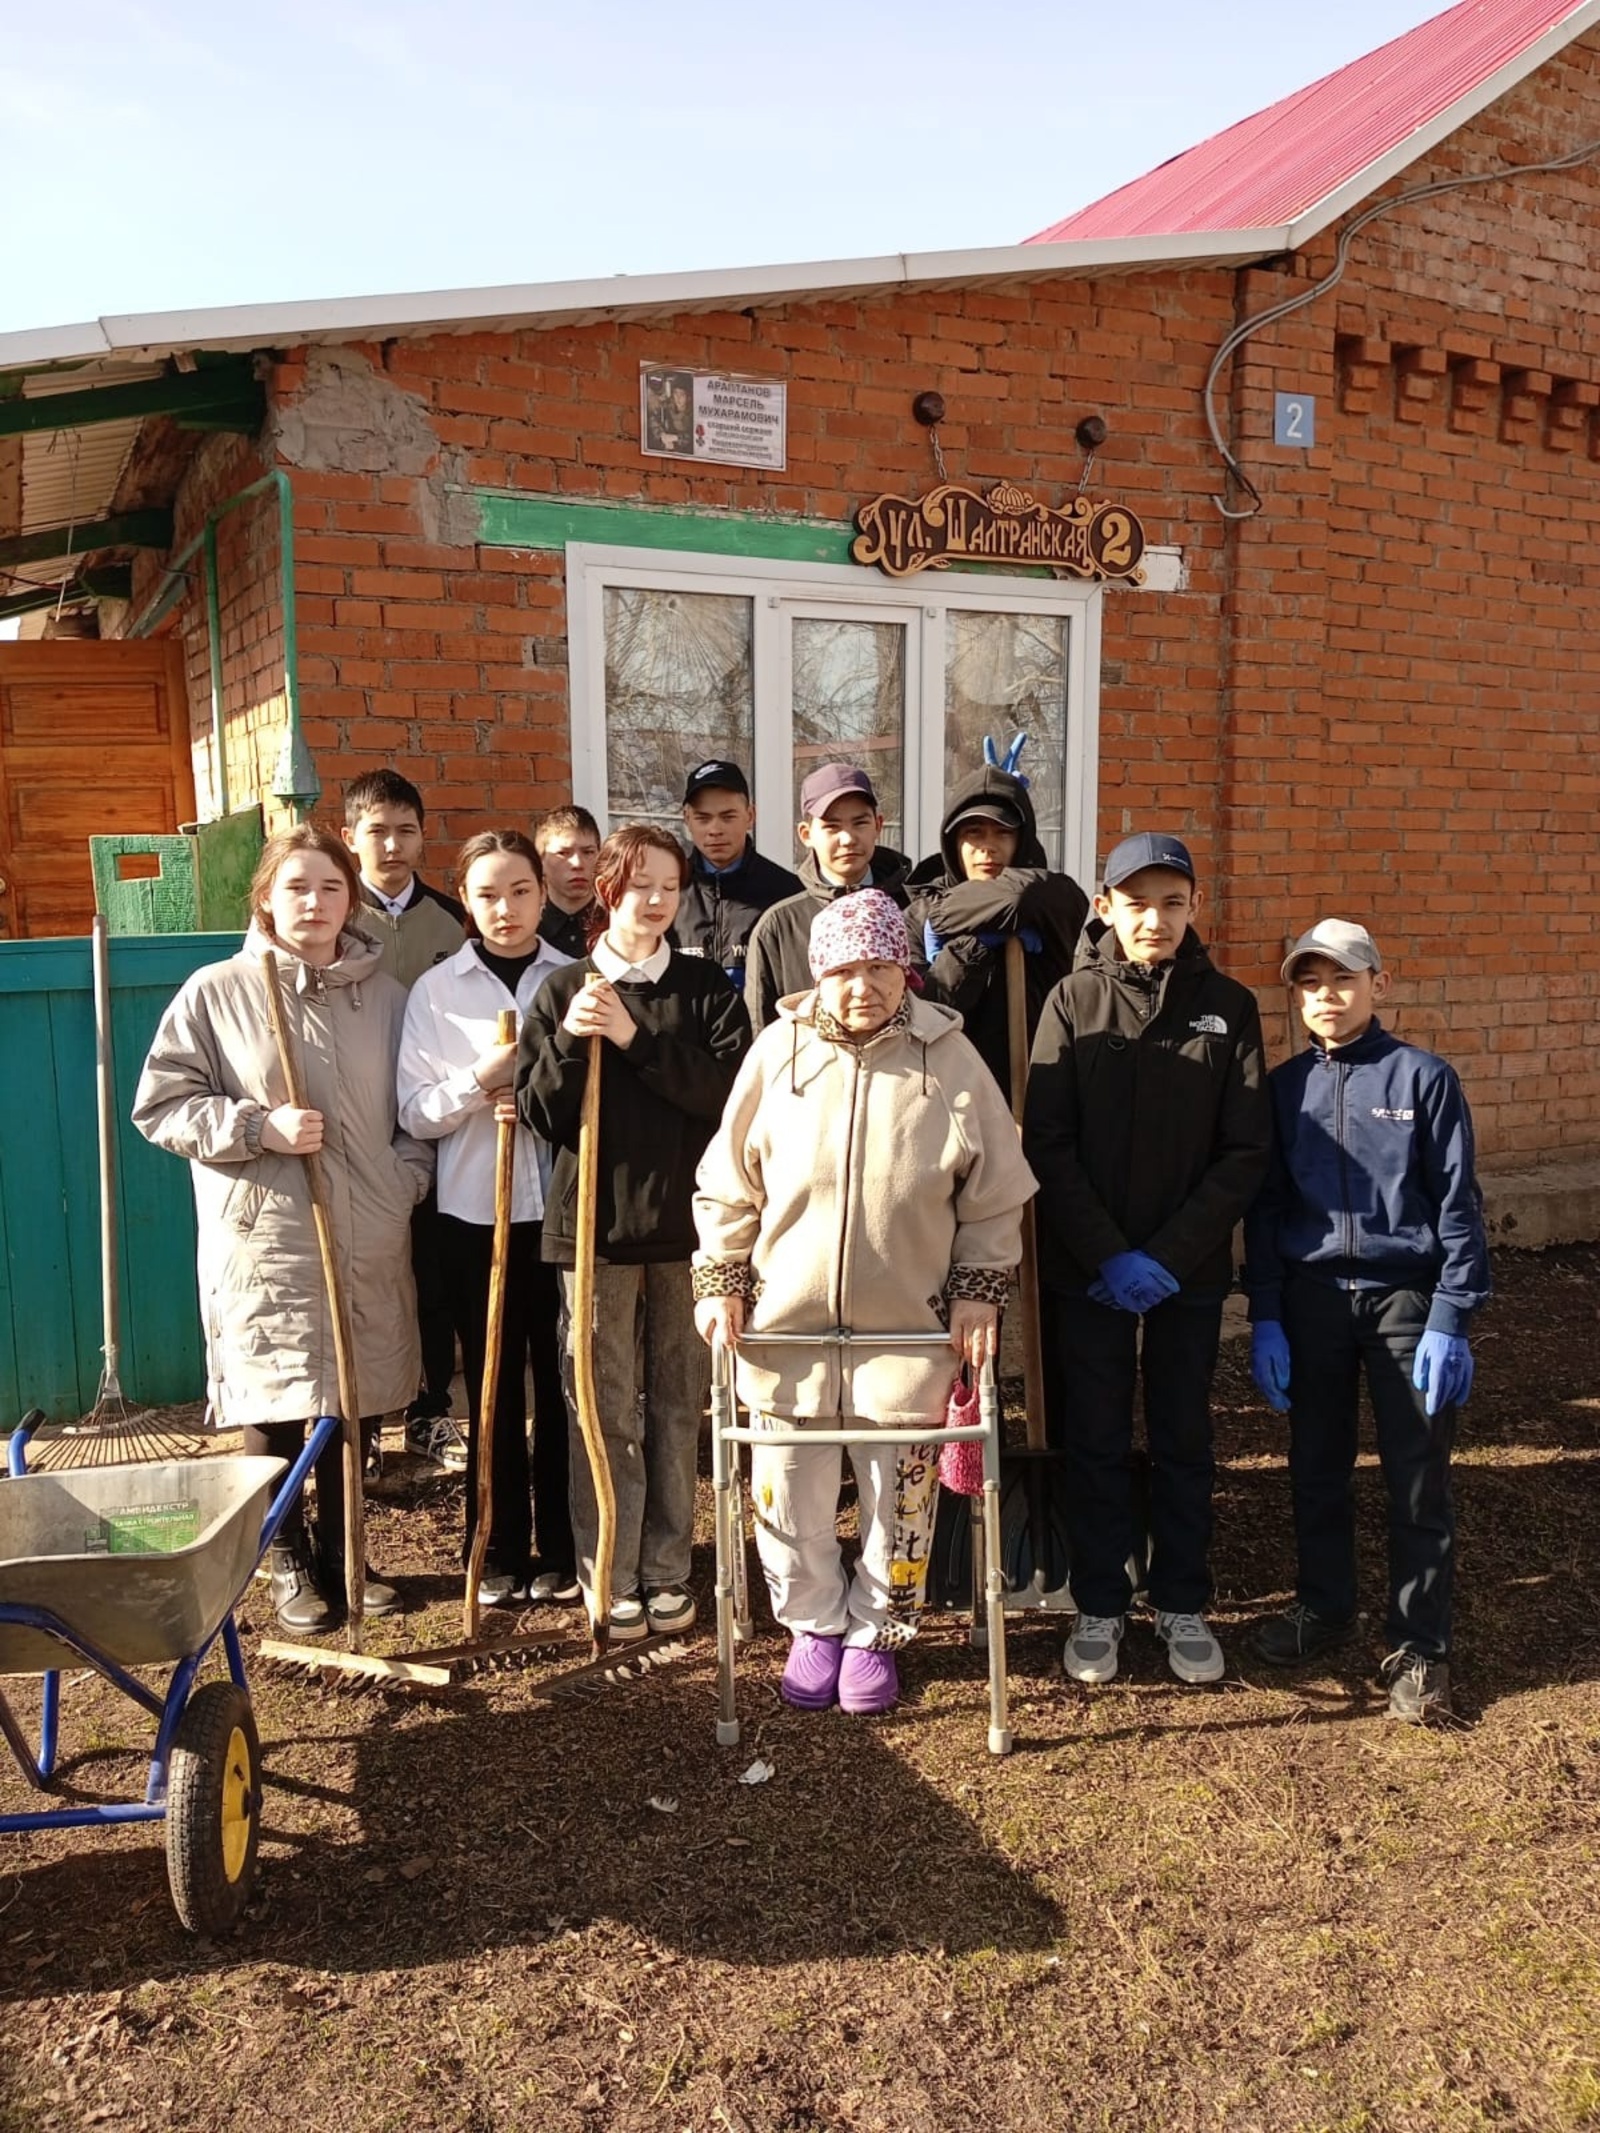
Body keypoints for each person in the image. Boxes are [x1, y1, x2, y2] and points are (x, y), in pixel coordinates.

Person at [693, 889, 1036, 1715]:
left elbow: (992, 1196)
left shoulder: (948, 1057)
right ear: (819, 973)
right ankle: (813, 1621)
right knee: (786, 1489)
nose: (863, 986)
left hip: (907, 1331)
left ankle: (878, 1625)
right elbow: (727, 1183)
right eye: (844, 969)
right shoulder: (778, 1051)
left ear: (903, 969)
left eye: (880, 967)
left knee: (900, 1499)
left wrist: (978, 1292)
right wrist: (721, 1278)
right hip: (784, 1332)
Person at [133, 822, 431, 1633]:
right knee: (274, 1395)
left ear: (352, 898)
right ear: (265, 896)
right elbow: (160, 1106)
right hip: (267, 1230)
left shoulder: (389, 996)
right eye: (296, 886)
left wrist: (406, 1180)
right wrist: (258, 1126)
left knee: (352, 1394)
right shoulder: (218, 991)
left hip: (366, 1225)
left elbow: (418, 1108)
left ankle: (348, 1548)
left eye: (331, 887)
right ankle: (286, 1553)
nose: (315, 901)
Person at [1023, 832, 1270, 1688]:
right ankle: (1099, 1602)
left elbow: (1244, 1150)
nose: (1154, 919)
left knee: (1183, 1437)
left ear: (1194, 906)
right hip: (1087, 1273)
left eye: (1171, 902)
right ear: (1105, 908)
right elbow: (1047, 1143)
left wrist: (1166, 1256)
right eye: (1136, 903)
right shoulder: (1071, 1000)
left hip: (1186, 1277)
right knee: (1092, 1438)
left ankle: (1181, 1601)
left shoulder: (1229, 1007)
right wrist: (1108, 1251)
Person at [1244, 921, 1490, 1724]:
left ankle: (1422, 1646)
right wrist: (1269, 1314)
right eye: (1310, 983)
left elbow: (1458, 1207)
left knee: (1417, 1479)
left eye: (1343, 979)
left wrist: (1451, 1314)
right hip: (1314, 1302)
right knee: (1316, 1467)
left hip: (1404, 1304)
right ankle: (1324, 1607)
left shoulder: (1423, 1079)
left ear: (1378, 984)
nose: (1327, 996)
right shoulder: (1283, 1091)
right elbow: (1269, 1207)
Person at [516, 824, 751, 1640]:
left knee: (679, 1404)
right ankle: (608, 1566)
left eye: (668, 886)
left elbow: (728, 1095)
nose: (654, 901)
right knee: (599, 1405)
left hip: (687, 1232)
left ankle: (665, 1566)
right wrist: (579, 1040)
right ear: (607, 888)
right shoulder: (561, 991)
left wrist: (636, 1038)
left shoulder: (705, 989)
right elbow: (544, 1114)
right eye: (638, 884)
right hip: (594, 1236)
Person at [397, 830, 579, 1608]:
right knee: (497, 1382)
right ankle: (498, 1544)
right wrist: (483, 1078)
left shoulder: (574, 980)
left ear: (542, 892)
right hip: (476, 1217)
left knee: (565, 1381)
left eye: (519, 891)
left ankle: (567, 1546)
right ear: (464, 902)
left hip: (564, 1214)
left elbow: (595, 1090)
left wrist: (537, 1099)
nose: (504, 909)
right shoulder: (438, 992)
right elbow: (414, 1110)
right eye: (487, 894)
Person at [341, 767, 466, 1468]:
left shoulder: (449, 919)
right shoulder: (333, 912)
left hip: (431, 1125)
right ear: (349, 835)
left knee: (432, 1270)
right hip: (353, 1125)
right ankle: (355, 1424)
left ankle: (428, 1412)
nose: (392, 845)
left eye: (405, 830)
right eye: (377, 831)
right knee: (361, 1273)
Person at [907, 762, 1089, 1093]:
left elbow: (1019, 896)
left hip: (1035, 1093)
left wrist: (944, 918)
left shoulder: (1055, 898)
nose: (988, 847)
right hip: (949, 1094)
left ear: (1023, 840)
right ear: (953, 842)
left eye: (1003, 832)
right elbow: (925, 1013)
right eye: (974, 833)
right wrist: (972, 947)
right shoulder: (916, 917)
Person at [744, 763, 919, 1030]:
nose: (848, 838)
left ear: (878, 825)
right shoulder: (779, 926)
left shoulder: (912, 911)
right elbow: (761, 1029)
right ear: (806, 834)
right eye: (832, 827)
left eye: (860, 823)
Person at [673, 758, 801, 994]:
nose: (715, 829)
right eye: (703, 818)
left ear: (750, 815)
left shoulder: (787, 893)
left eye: (728, 816)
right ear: (687, 818)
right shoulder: (668, 891)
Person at [534, 805, 604, 960]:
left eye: (588, 852)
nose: (577, 863)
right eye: (563, 853)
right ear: (540, 861)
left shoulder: (618, 929)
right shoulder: (528, 932)